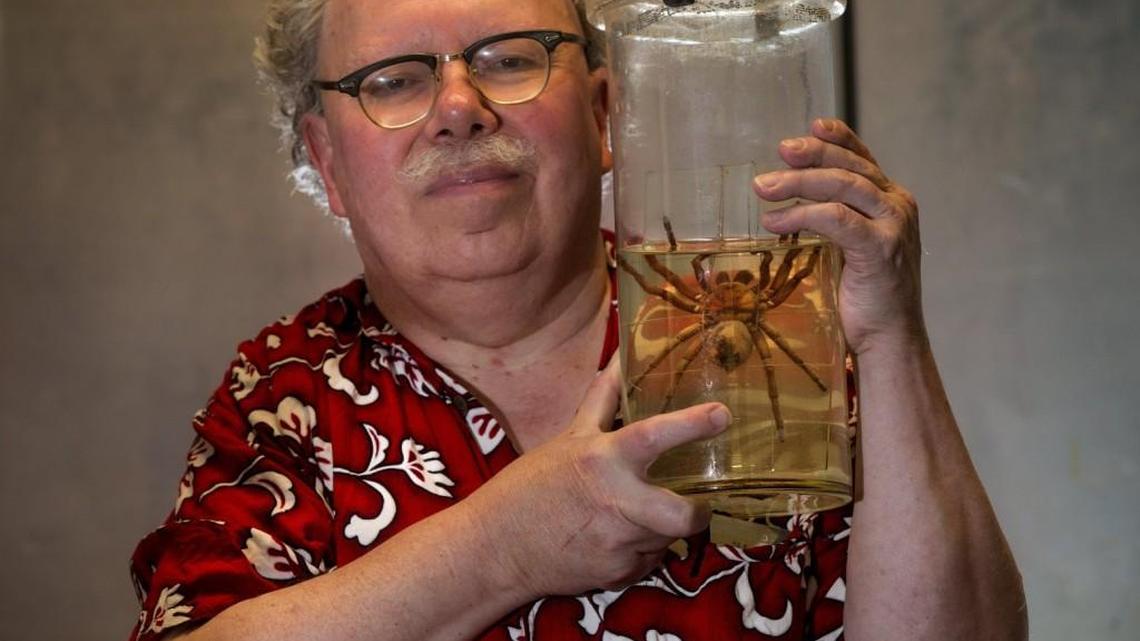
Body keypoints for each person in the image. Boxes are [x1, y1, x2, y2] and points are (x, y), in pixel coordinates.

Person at [128, 0, 1028, 639]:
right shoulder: (283, 392)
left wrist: (890, 334)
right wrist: (504, 547)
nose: (456, 110)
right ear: (325, 160)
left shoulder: (779, 328)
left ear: (605, 115)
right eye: (393, 79)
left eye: (509, 58)